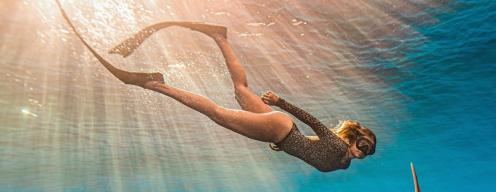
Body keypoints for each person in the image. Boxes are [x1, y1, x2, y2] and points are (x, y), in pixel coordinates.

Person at [55, 2, 376, 172]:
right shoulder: (338, 149)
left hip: (282, 132)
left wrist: (288, 140)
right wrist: (280, 101)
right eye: (362, 146)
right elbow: (313, 122)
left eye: (366, 152)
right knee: (218, 113)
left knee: (240, 89)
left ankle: (220, 36)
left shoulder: (342, 161)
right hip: (281, 127)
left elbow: (310, 147)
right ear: (354, 139)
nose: (361, 153)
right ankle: (154, 84)